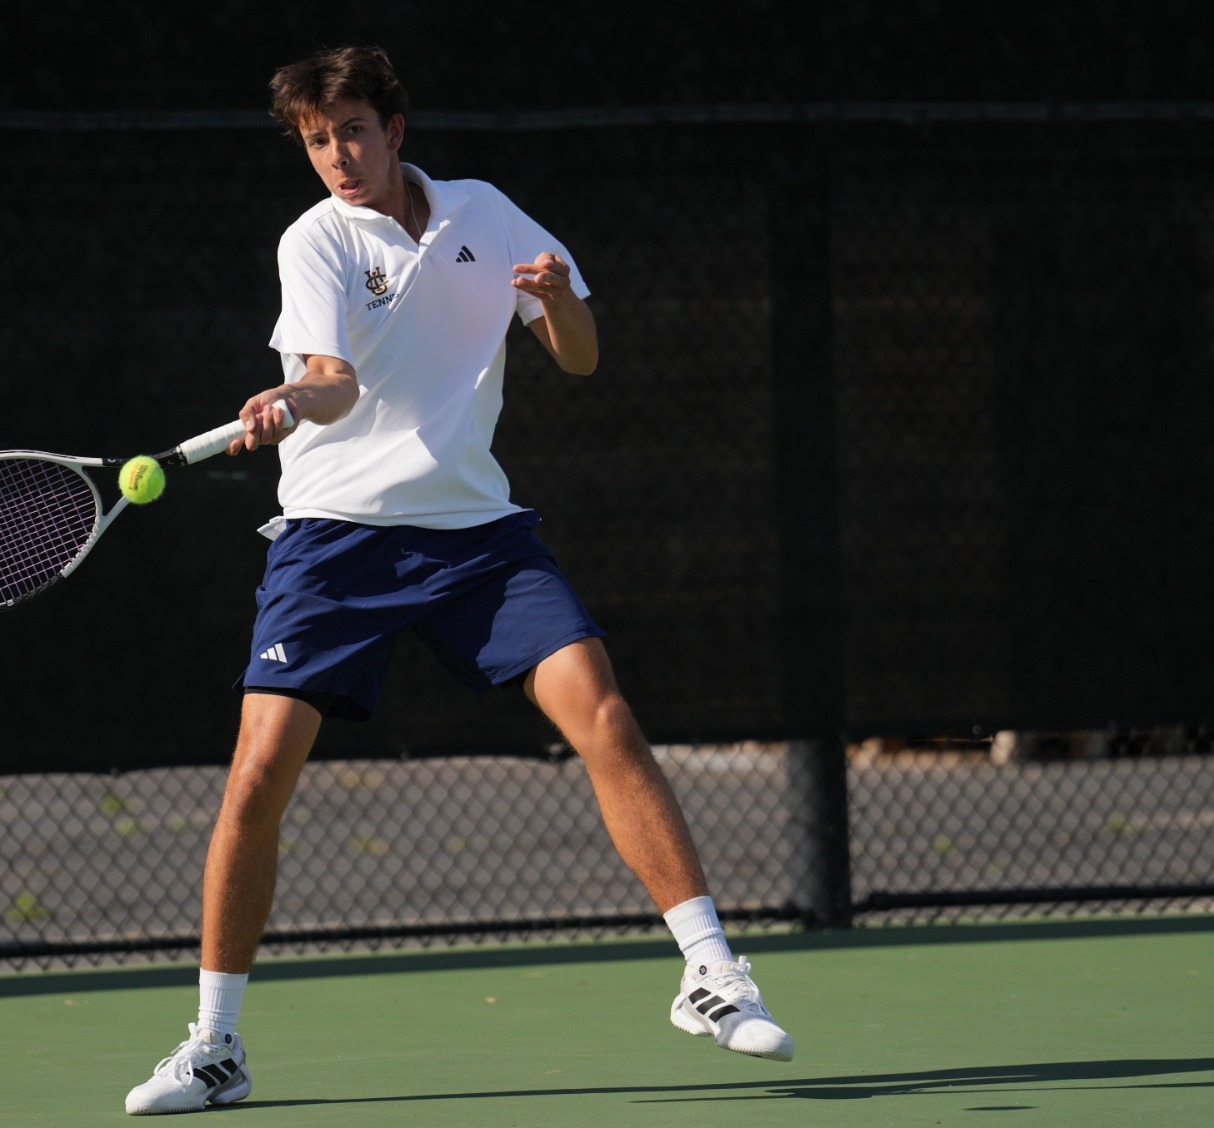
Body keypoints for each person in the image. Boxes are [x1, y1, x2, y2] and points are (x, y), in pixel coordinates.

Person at [124, 44, 792, 1116]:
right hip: (333, 540)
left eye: (350, 131)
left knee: (605, 717)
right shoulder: (315, 241)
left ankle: (711, 974)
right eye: (314, 141)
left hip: (476, 535)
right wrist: (290, 400)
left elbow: (575, 353)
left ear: (395, 130)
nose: (335, 157)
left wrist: (557, 295)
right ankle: (215, 1045)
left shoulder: (486, 213)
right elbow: (332, 385)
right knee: (256, 776)